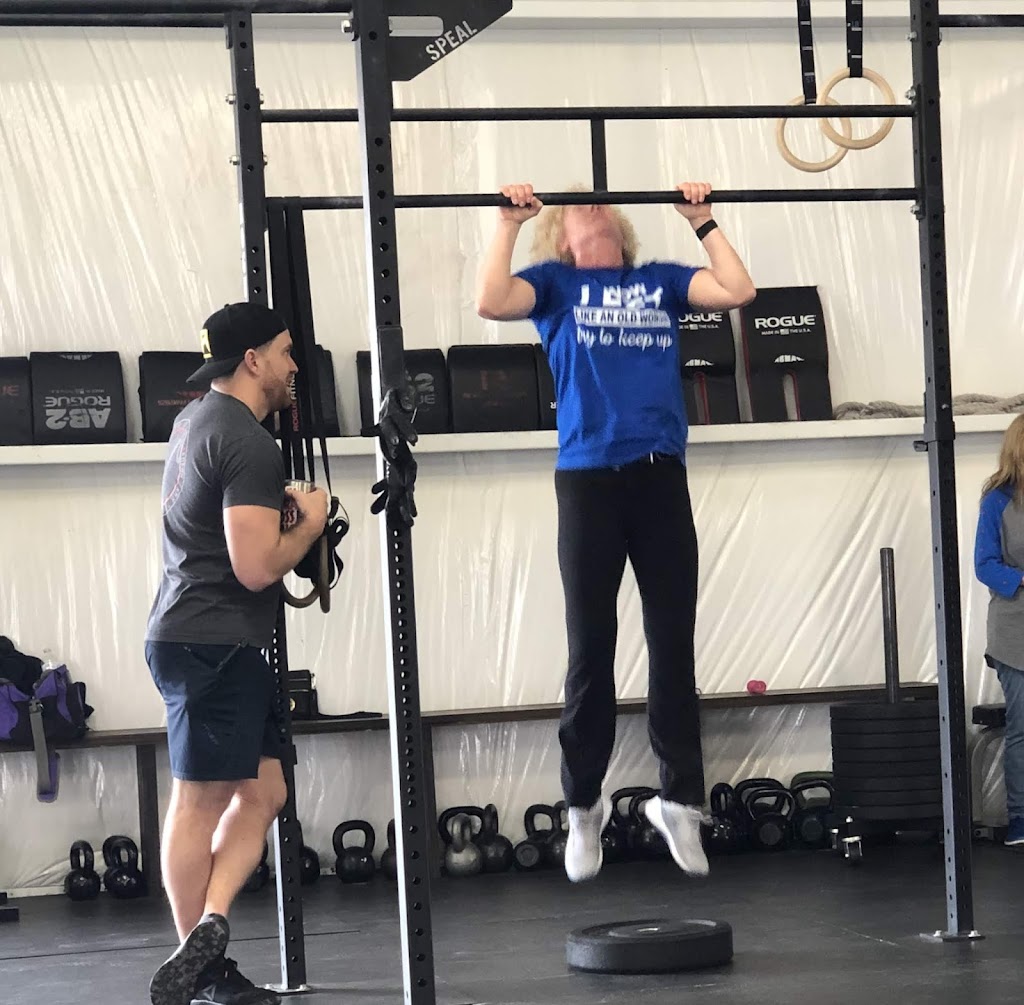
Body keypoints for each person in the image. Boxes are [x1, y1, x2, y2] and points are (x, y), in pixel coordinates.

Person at [476, 182, 756, 883]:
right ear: (562, 235)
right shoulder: (554, 284)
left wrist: (702, 220)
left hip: (660, 476)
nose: (592, 205)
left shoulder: (658, 280)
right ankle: (581, 804)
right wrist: (507, 224)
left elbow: (738, 289)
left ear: (619, 226)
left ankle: (680, 801)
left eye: (601, 201)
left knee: (672, 644)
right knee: (590, 649)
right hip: (588, 480)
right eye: (578, 205)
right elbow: (491, 300)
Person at [144, 302, 329, 1005]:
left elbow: (219, 528)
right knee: (200, 800)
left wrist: (281, 514)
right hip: (210, 639)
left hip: (208, 636)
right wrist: (308, 526)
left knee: (267, 790)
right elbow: (255, 568)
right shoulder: (248, 441)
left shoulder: (195, 421)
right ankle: (201, 969)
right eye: (285, 352)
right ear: (253, 360)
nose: (293, 366)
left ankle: (208, 931)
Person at [974, 412, 1024, 848]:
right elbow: (985, 565)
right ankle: (1021, 820)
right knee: (1022, 729)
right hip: (1015, 635)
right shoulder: (997, 502)